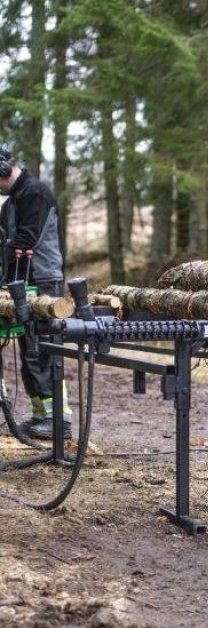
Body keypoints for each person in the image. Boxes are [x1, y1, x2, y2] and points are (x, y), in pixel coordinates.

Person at [0, 147, 72, 440]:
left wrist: (7, 251)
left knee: (42, 349)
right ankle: (40, 414)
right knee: (28, 350)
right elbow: (7, 244)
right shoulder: (11, 203)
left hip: (43, 280)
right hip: (20, 280)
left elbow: (26, 239)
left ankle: (59, 420)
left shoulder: (35, 194)